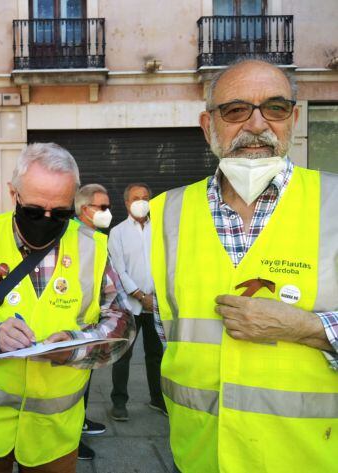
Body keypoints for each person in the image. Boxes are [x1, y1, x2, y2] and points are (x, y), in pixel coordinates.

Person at [150, 59, 338, 473]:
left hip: (309, 457)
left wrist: (307, 328)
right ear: (207, 125)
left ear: (294, 118)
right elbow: (168, 330)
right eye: (236, 110)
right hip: (199, 454)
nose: (256, 125)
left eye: (274, 108)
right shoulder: (166, 212)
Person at [0, 143, 135, 472]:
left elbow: (121, 323)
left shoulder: (93, 248)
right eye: (35, 212)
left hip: (53, 434)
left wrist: (73, 347)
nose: (46, 221)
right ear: (14, 195)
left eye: (61, 213)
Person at [108, 182, 165, 422]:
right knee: (123, 355)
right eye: (135, 198)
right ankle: (119, 402)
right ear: (127, 203)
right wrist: (141, 296)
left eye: (145, 197)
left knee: (156, 354)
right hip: (130, 304)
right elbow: (118, 270)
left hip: (156, 303)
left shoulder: (161, 229)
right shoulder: (118, 232)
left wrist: (156, 297)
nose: (140, 201)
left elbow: (166, 263)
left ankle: (157, 399)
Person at [72, 183, 111, 460]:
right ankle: (72, 440)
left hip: (91, 324)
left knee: (84, 383)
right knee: (73, 388)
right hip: (75, 325)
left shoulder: (95, 236)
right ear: (84, 209)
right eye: (103, 207)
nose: (108, 212)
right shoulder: (75, 237)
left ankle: (80, 423)